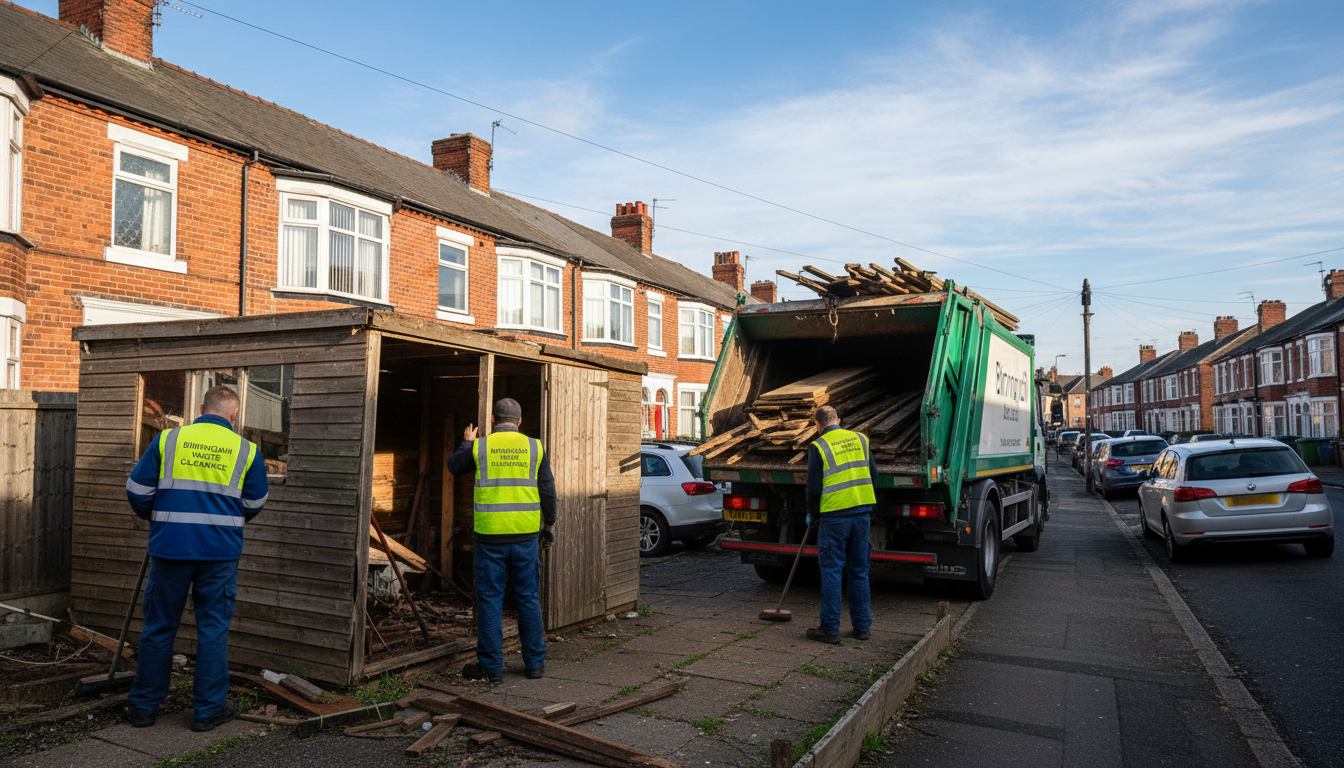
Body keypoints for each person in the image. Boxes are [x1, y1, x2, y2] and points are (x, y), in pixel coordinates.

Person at [123, 384, 269, 731]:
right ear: (234, 415)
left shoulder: (167, 440)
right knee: (213, 630)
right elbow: (255, 503)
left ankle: (143, 709)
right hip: (219, 553)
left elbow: (137, 490)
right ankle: (206, 712)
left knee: (158, 628)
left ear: (201, 408)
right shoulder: (247, 451)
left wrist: (159, 518)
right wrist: (226, 521)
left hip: (170, 548)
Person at [447, 397, 556, 685]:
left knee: (491, 601)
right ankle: (534, 665)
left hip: (491, 536)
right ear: (520, 422)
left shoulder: (481, 446)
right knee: (528, 599)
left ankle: (492, 668)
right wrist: (550, 523)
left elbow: (454, 467)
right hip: (525, 535)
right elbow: (547, 488)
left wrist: (467, 441)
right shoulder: (535, 447)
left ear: (493, 420)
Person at [803, 405, 878, 644]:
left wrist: (812, 513)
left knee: (832, 572)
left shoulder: (818, 446)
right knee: (859, 572)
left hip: (834, 517)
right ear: (839, 420)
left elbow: (814, 488)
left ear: (817, 425)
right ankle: (862, 628)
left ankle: (830, 629)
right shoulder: (861, 439)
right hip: (862, 514)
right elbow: (873, 474)